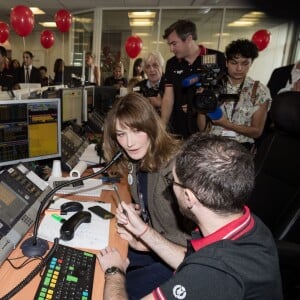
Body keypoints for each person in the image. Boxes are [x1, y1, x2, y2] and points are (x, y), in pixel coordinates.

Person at [98, 133, 283, 300]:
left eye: (173, 181)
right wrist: (144, 232)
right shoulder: (249, 223)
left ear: (189, 197)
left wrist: (114, 271)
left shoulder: (211, 274)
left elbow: (203, 270)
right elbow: (190, 259)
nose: (171, 187)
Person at [101, 93, 193, 299]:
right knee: (98, 258)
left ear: (151, 126)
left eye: (136, 130)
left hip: (179, 259)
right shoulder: (135, 160)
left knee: (110, 286)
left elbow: (197, 242)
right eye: (121, 134)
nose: (129, 142)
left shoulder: (177, 167)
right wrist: (142, 210)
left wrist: (144, 240)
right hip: (153, 244)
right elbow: (153, 202)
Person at [197, 38, 271, 151]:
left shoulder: (260, 91)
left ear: (251, 63)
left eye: (245, 63)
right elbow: (202, 128)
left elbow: (257, 132)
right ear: (226, 62)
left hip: (241, 148)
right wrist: (201, 103)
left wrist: (226, 124)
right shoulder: (213, 85)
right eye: (234, 63)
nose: (239, 68)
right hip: (212, 145)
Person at [161, 19, 226, 140]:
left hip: (206, 131)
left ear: (189, 39)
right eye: (169, 44)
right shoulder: (171, 64)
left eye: (174, 44)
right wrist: (162, 126)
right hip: (177, 130)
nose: (171, 49)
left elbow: (218, 92)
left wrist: (194, 108)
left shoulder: (215, 58)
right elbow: (168, 97)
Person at [133, 50, 165, 115]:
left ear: (161, 67)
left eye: (155, 65)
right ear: (145, 70)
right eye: (148, 67)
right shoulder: (137, 87)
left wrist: (162, 104)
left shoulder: (169, 86)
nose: (151, 69)